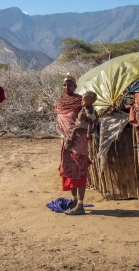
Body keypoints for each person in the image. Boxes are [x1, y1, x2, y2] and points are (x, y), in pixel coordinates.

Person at [54, 74, 92, 215]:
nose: (66, 87)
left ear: (75, 86)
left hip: (79, 143)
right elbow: (57, 125)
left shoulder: (81, 102)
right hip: (66, 143)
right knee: (69, 172)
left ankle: (81, 205)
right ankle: (74, 200)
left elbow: (90, 124)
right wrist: (64, 137)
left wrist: (74, 135)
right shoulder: (59, 102)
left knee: (80, 172)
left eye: (69, 85)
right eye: (64, 85)